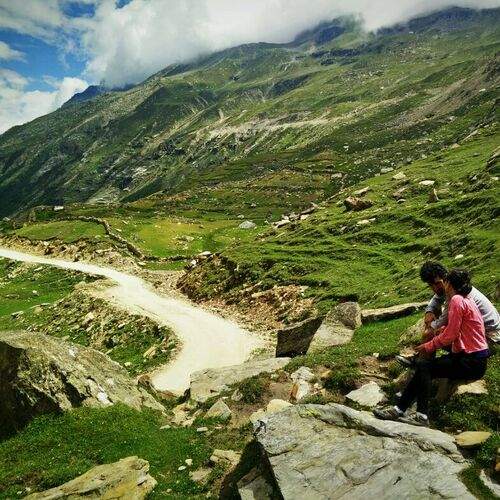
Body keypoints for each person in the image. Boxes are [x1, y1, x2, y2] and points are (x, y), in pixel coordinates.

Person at [374, 269, 490, 426]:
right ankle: (399, 409)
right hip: (473, 359)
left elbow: (451, 335)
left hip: (471, 361)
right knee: (424, 367)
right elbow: (459, 329)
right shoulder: (466, 299)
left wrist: (429, 346)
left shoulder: (456, 300)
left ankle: (420, 415)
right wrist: (443, 331)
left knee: (425, 367)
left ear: (449, 284)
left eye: (445, 282)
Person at [397, 261, 499, 368]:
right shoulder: (457, 286)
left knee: (430, 334)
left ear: (446, 279)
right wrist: (429, 311)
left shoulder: (456, 297)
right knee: (435, 331)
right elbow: (436, 299)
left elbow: (445, 321)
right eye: (431, 285)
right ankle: (423, 363)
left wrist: (430, 328)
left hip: (488, 340)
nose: (435, 288)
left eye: (437, 283)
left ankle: (420, 365)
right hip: (481, 335)